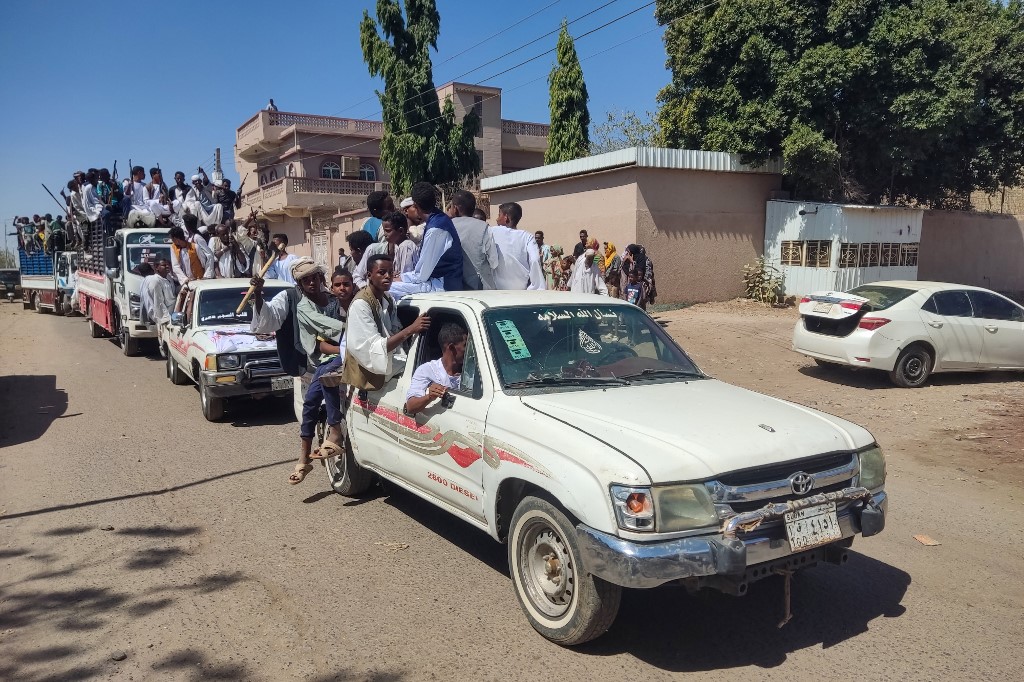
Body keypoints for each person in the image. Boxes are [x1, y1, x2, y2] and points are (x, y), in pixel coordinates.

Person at [250, 258, 350, 485]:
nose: (313, 283)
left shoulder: (336, 301)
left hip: (337, 364)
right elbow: (268, 320)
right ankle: (305, 456)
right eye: (307, 280)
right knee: (309, 408)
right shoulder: (292, 300)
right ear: (299, 283)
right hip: (309, 368)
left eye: (316, 277)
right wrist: (257, 295)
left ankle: (318, 449)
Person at [345, 253, 430, 388]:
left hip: (391, 359)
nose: (388, 276)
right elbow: (373, 349)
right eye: (381, 272)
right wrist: (412, 329)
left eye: (391, 272)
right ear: (369, 275)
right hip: (369, 371)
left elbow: (394, 331)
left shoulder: (388, 299)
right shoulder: (361, 304)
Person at [388, 182, 464, 298]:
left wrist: (401, 277)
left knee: (386, 288)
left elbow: (422, 275)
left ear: (415, 205)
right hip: (435, 281)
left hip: (442, 285)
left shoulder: (436, 229)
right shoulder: (438, 219)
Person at [404, 322, 467, 416]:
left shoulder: (469, 371)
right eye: (465, 345)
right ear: (452, 348)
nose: (469, 350)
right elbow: (411, 407)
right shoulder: (426, 370)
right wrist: (430, 396)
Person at [448, 189, 498, 290]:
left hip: (453, 286)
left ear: (456, 208)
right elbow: (494, 261)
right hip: (481, 287)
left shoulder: (447, 226)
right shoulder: (484, 227)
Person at [491, 202, 545, 290]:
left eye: (499, 215)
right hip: (520, 291)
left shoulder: (492, 231)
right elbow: (535, 259)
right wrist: (536, 287)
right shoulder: (527, 236)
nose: (497, 219)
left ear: (506, 217)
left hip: (496, 291)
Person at [141, 257, 176, 324]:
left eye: (168, 265)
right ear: (156, 267)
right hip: (165, 319)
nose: (167, 267)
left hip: (173, 314)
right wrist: (165, 319)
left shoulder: (169, 278)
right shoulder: (155, 281)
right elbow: (158, 302)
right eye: (164, 265)